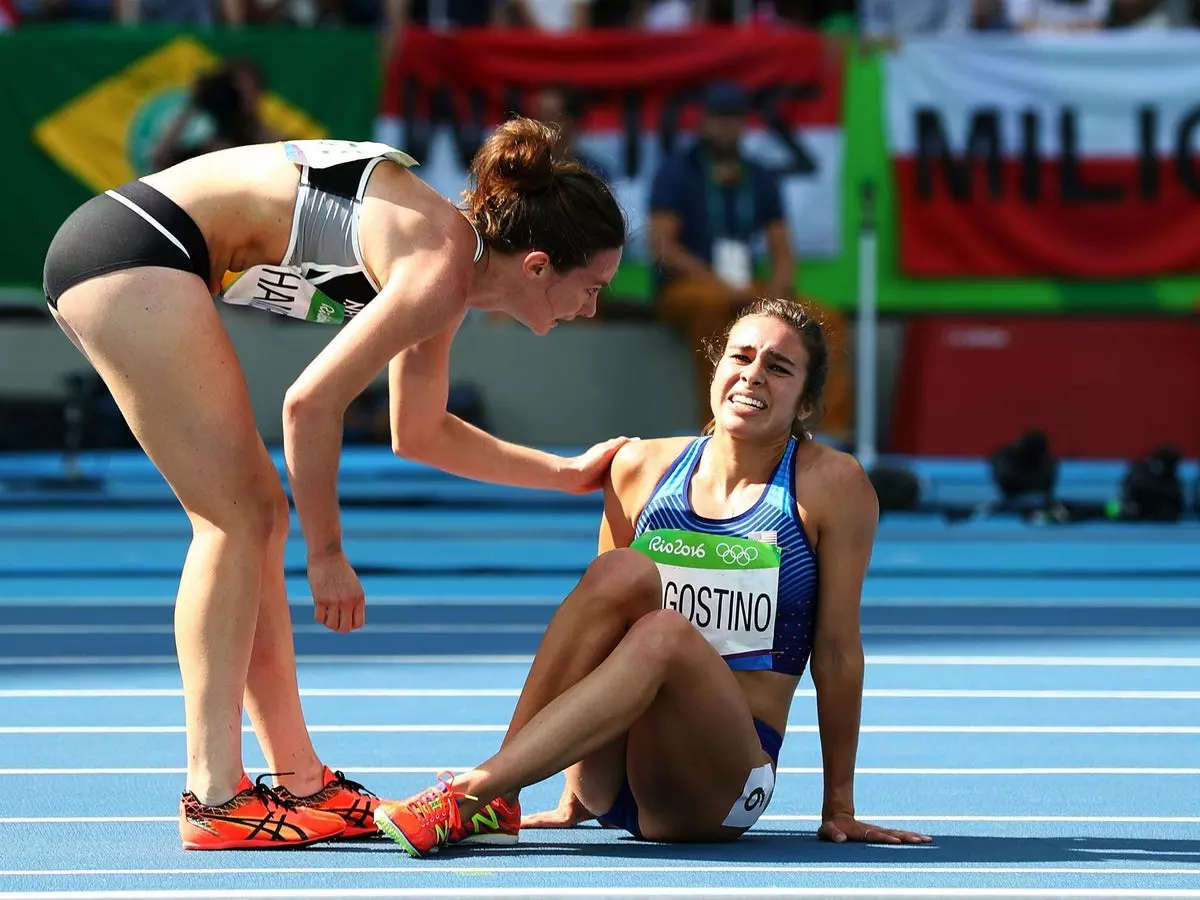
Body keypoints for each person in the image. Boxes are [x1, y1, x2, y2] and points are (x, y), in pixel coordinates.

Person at [41, 118, 628, 850]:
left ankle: (302, 782)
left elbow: (419, 430)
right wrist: (328, 554)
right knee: (237, 518)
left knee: (252, 515)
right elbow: (309, 403)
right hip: (135, 249)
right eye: (592, 287)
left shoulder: (450, 267)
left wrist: (564, 473)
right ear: (538, 266)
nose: (592, 309)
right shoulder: (440, 269)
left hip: (136, 248)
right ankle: (214, 794)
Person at [372, 298, 932, 855]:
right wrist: (573, 797)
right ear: (716, 370)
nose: (753, 375)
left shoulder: (831, 485)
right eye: (741, 357)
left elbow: (835, 652)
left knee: (663, 634)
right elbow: (596, 629)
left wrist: (840, 808)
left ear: (806, 403)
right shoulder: (640, 467)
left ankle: (477, 790)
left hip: (720, 787)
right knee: (620, 572)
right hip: (610, 775)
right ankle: (501, 790)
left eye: (778, 368)